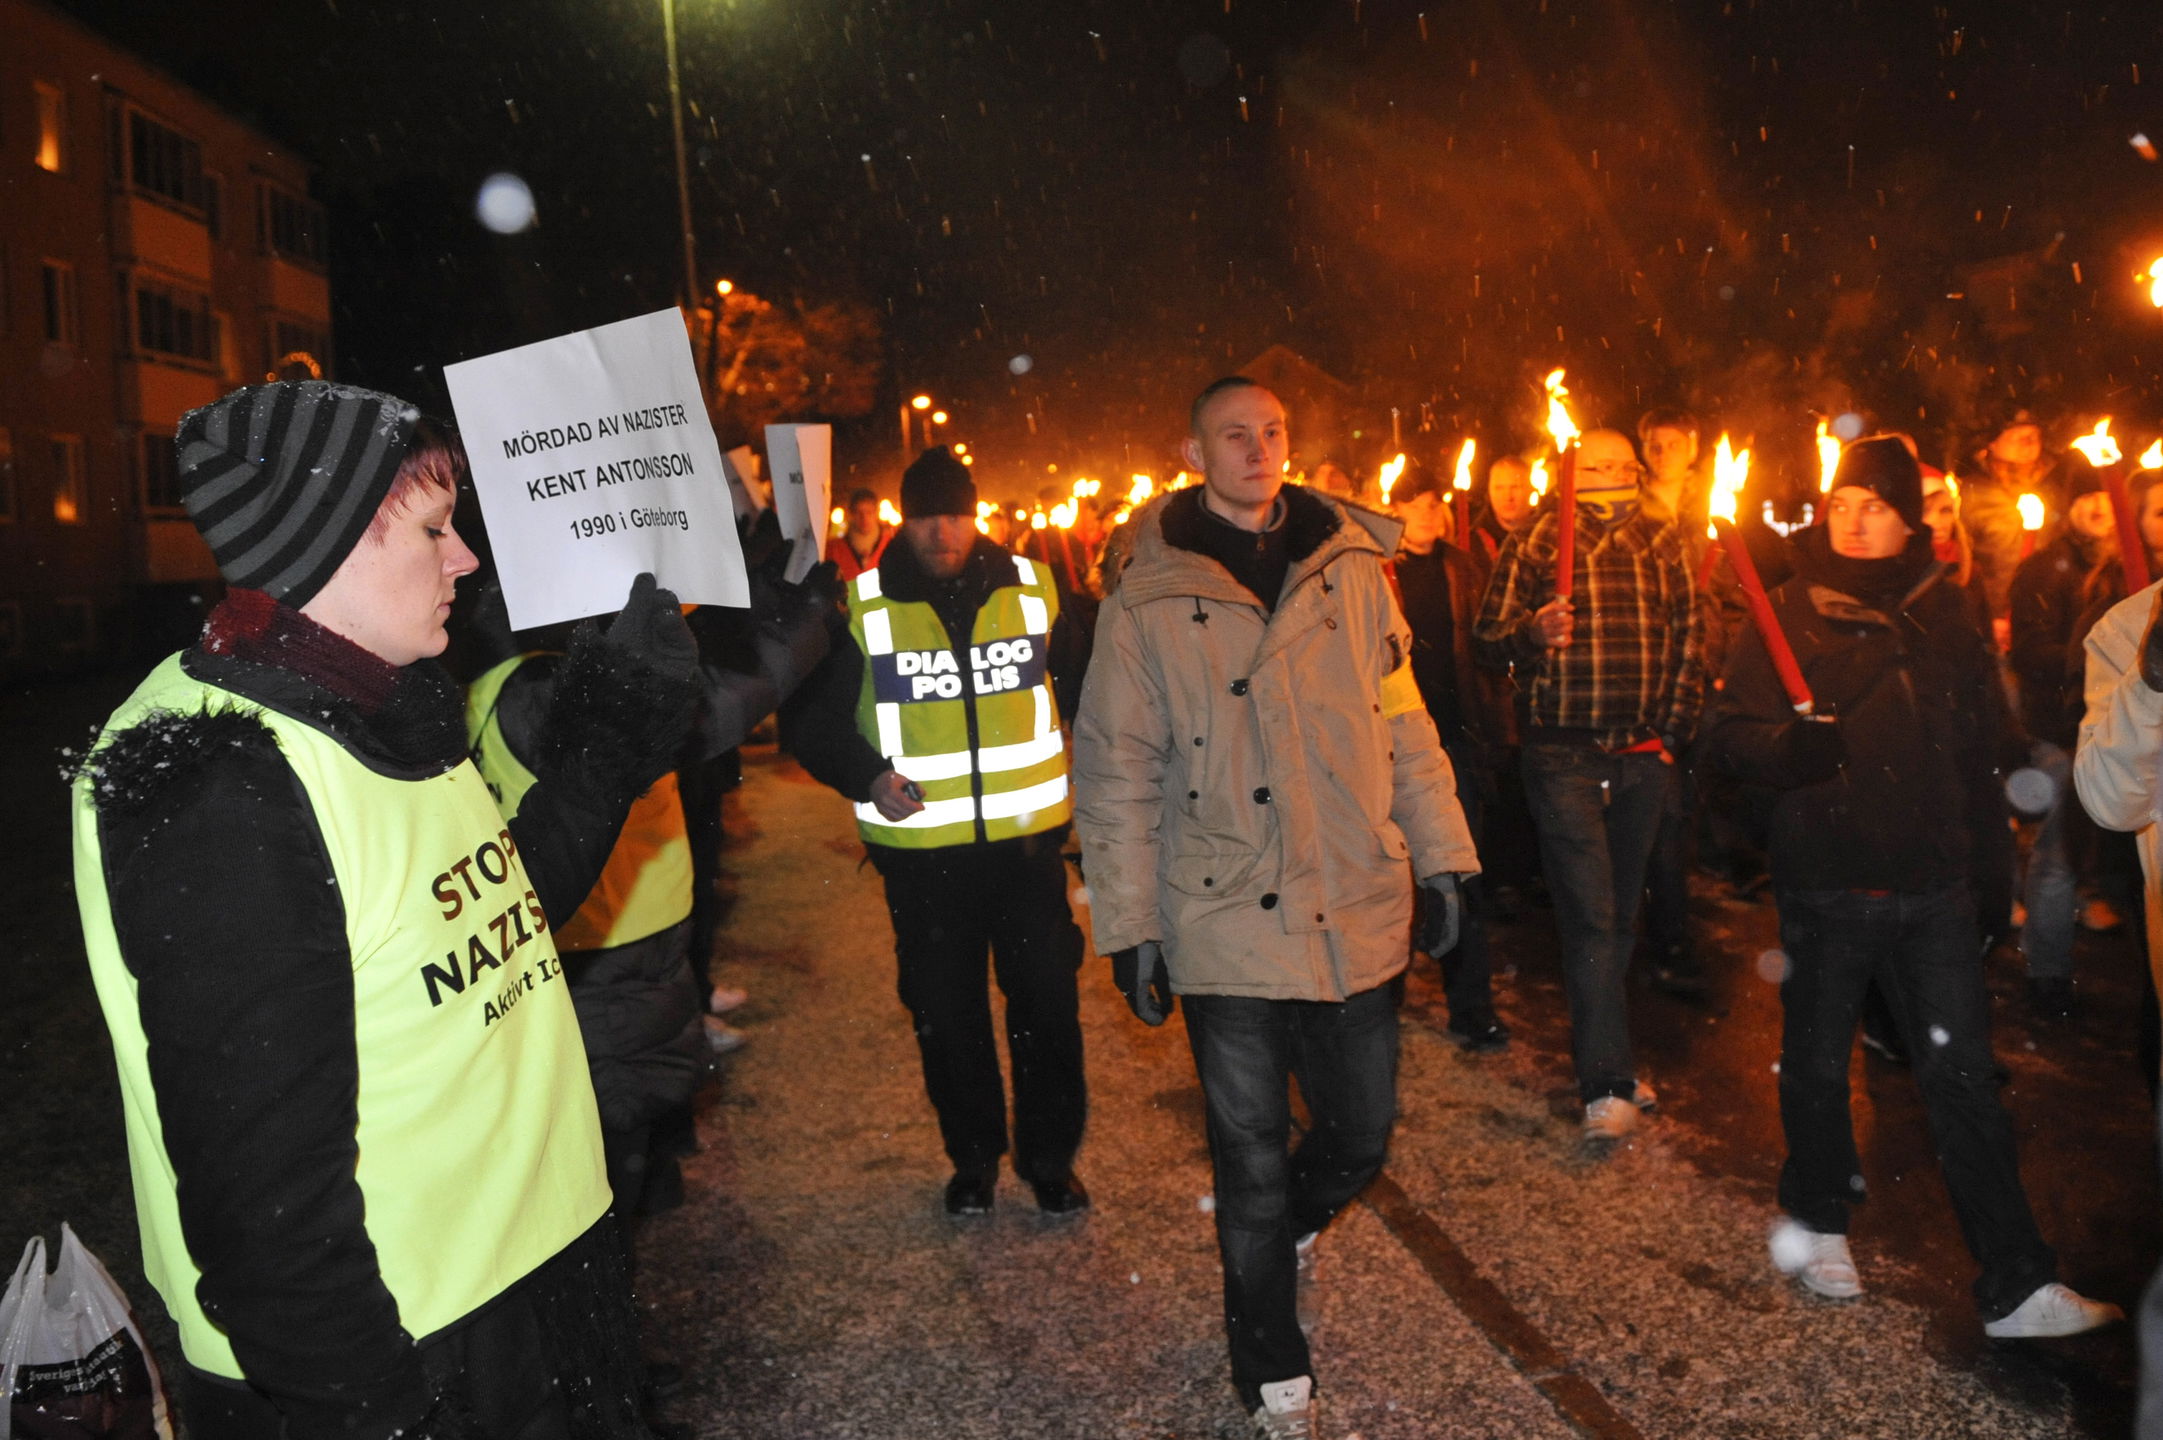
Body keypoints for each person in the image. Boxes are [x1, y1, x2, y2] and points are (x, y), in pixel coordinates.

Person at [70, 381, 697, 1440]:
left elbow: (487, 920)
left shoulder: (380, 704)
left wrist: (606, 746)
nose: (465, 559)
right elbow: (266, 1206)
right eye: (433, 528)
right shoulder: (221, 783)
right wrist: (376, 1416)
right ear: (328, 549)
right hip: (404, 1354)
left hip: (527, 1287)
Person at [1073, 377, 1478, 1440]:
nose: (1258, 450)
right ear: (1195, 449)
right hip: (1220, 907)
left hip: (1350, 891)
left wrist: (1441, 855)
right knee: (1247, 1155)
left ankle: (1289, 1227)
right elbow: (1114, 767)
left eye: (1272, 433)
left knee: (1360, 1134)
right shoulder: (1147, 593)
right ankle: (1268, 1356)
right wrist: (1130, 925)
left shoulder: (1351, 567)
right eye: (1235, 435)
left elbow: (1402, 718)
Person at [1704, 436, 2119, 1338]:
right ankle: (1818, 1221)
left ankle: (2015, 1282)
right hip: (1828, 886)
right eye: (1841, 501)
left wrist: (1986, 880)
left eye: (1875, 506)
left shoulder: (1950, 615)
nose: (1853, 521)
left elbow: (1978, 754)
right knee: (1816, 1066)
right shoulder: (1786, 612)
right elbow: (1726, 736)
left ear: (1908, 519)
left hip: (1931, 890)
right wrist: (1783, 750)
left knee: (1962, 1077)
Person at [789, 446, 1091, 1217]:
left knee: (1047, 1012)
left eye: (955, 513)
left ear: (976, 513)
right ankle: (974, 1162)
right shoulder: (861, 608)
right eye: (925, 515)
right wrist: (867, 779)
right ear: (905, 518)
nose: (941, 531)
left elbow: (1095, 684)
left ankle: (1050, 1161)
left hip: (1027, 855)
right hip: (925, 867)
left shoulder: (1035, 589)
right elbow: (811, 723)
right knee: (948, 1022)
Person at [1474, 428, 1705, 1145]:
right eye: (1594, 466)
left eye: (1620, 466)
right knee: (1590, 915)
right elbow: (1487, 637)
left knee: (1619, 912)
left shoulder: (1663, 538)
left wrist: (1668, 732)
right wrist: (1530, 634)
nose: (1609, 477)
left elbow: (1690, 632)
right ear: (1572, 474)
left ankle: (1612, 1058)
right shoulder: (1541, 536)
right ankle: (1603, 1081)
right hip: (1562, 753)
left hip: (1639, 753)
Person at [1389, 460, 1516, 1049]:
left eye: (1437, 503)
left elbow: (1490, 647)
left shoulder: (1464, 568)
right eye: (1417, 503)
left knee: (1459, 872)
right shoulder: (1372, 571)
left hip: (1452, 743)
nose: (1430, 513)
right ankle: (1379, 998)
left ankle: (1471, 1006)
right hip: (1382, 741)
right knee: (1385, 879)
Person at [2009, 469, 2119, 1015]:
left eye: (2107, 494)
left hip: (2110, 731)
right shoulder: (2043, 570)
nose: (2099, 505)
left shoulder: (2123, 570)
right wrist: (2097, 660)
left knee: (2088, 849)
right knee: (2057, 851)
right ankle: (2046, 969)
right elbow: (2028, 653)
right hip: (2058, 732)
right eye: (2087, 496)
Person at [1959, 407, 2067, 644]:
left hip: (2051, 616)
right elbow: (1966, 564)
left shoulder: (2057, 485)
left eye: (2035, 437)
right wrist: (1991, 617)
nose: (2029, 444)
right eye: (2019, 437)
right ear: (1993, 444)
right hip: (1997, 621)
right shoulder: (1971, 493)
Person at [1468, 454, 1535, 563]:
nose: (1508, 496)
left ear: (1530, 489)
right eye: (1499, 488)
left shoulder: (1547, 535)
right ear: (1489, 491)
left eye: (1515, 487)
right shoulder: (1472, 543)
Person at [825, 486, 892, 582]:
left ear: (876, 513)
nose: (864, 518)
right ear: (851, 514)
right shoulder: (833, 549)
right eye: (859, 512)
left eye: (869, 512)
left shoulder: (890, 546)